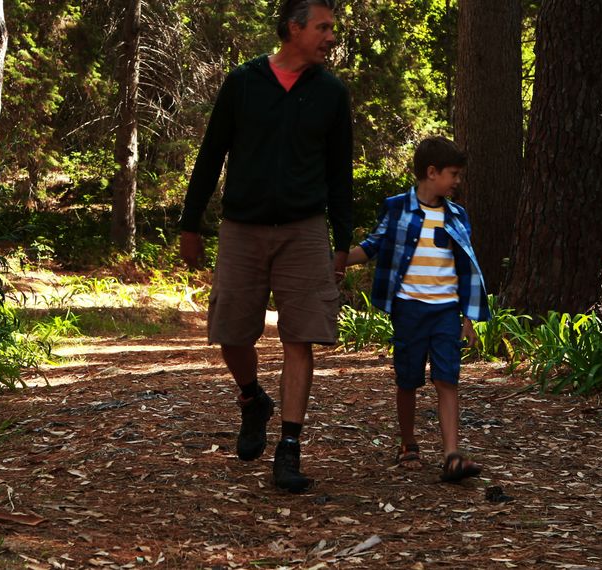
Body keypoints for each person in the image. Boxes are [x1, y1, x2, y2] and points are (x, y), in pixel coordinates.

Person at [178, 0, 353, 493]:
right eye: (322, 27)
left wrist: (343, 242)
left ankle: (289, 448)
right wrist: (191, 225)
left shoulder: (332, 94)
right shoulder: (243, 82)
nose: (330, 37)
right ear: (293, 29)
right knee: (231, 331)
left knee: (301, 338)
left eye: (331, 29)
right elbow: (211, 154)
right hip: (242, 228)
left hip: (304, 230)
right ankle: (253, 399)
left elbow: (341, 174)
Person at [344, 136, 489, 482]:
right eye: (453, 174)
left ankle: (452, 455)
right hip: (408, 309)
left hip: (445, 312)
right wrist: (336, 260)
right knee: (408, 379)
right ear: (431, 172)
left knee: (447, 379)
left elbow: (465, 267)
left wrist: (468, 318)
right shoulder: (396, 208)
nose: (457, 181)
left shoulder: (457, 215)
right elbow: (372, 246)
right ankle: (408, 444)